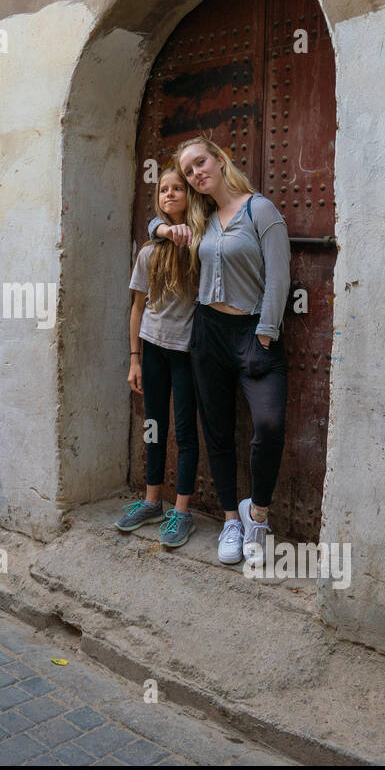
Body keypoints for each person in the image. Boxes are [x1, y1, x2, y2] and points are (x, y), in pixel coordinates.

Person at [147, 136, 290, 565]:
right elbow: (157, 224)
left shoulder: (259, 209)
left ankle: (257, 515)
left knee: (268, 426)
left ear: (220, 158)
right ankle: (232, 519)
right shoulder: (200, 216)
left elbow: (280, 275)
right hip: (207, 333)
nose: (195, 174)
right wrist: (161, 228)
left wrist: (265, 333)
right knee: (218, 431)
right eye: (188, 172)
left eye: (200, 163)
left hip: (254, 334)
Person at [118, 159, 201, 547]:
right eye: (164, 189)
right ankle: (153, 501)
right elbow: (137, 307)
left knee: (184, 431)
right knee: (154, 426)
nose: (170, 193)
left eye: (178, 188)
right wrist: (134, 358)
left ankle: (181, 511)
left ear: (190, 195)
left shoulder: (202, 244)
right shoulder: (149, 252)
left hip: (186, 352)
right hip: (152, 350)